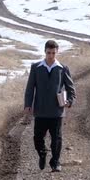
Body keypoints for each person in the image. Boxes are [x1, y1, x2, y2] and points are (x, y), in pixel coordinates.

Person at [24, 40, 76, 172]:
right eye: (49, 53)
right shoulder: (36, 67)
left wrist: (69, 101)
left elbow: (71, 89)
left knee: (56, 139)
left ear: (57, 52)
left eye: (53, 53)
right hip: (40, 111)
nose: (51, 55)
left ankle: (55, 163)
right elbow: (30, 88)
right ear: (45, 52)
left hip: (56, 111)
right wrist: (28, 104)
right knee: (37, 138)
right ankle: (42, 153)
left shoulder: (62, 69)